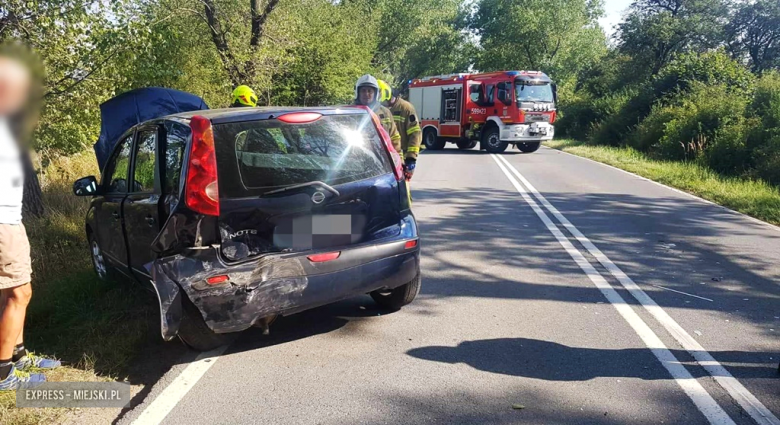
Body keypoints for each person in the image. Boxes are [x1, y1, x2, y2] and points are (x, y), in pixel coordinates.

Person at [0, 42, 59, 391]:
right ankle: (5, 373)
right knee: (19, 293)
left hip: (10, 218)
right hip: (2, 222)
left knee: (13, 292)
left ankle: (18, 355)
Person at [380, 82, 421, 181]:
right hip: (384, 159)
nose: (381, 104)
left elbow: (415, 133)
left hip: (403, 158)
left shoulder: (406, 108)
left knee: (402, 188)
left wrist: (411, 158)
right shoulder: (381, 110)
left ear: (388, 96)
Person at [354, 75, 401, 154]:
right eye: (363, 91)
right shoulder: (352, 112)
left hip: (383, 160)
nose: (366, 94)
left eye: (370, 91)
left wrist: (399, 161)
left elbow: (394, 138)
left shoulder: (385, 112)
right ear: (358, 93)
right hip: (358, 159)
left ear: (375, 93)